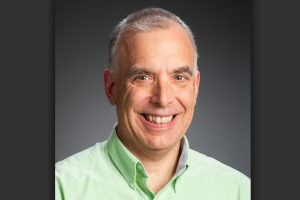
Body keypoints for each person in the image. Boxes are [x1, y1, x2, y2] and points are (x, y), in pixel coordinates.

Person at [55, 7, 250, 200]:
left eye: (179, 77)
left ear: (195, 87)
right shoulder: (61, 188)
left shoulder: (238, 191)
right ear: (112, 88)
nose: (163, 99)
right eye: (143, 77)